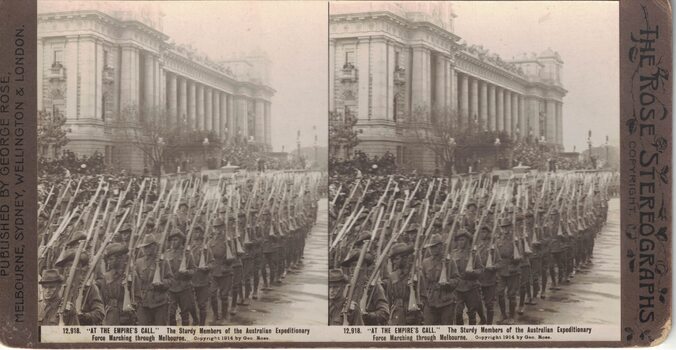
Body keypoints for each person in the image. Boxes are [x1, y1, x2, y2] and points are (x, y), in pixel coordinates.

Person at [133, 235, 173, 325]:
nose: (146, 249)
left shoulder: (163, 262)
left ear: (154, 247)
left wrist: (162, 283)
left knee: (160, 331)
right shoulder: (139, 262)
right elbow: (135, 282)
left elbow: (171, 280)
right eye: (144, 247)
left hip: (160, 301)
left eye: (148, 247)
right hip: (143, 302)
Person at [420, 234, 459, 325]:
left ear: (441, 247)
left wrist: (448, 283)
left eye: (434, 247)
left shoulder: (449, 262)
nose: (432, 249)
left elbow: (457, 279)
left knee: (445, 331)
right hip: (430, 301)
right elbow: (422, 282)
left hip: (446, 301)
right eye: (430, 247)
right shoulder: (425, 262)